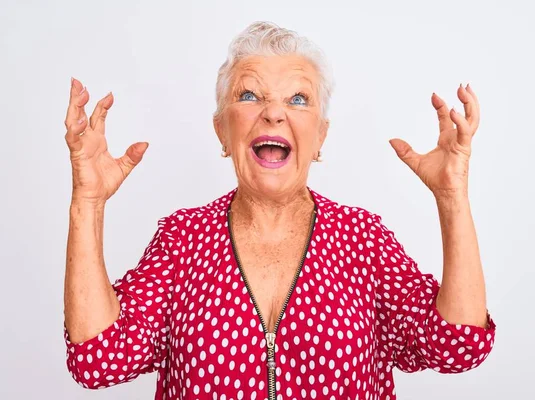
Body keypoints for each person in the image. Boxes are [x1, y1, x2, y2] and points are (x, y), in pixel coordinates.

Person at [63, 21, 496, 400]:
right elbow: (98, 361)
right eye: (250, 94)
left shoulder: (362, 240)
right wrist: (88, 201)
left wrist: (451, 196)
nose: (273, 113)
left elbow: (457, 344)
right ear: (222, 130)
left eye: (298, 99)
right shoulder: (183, 240)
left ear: (320, 137)